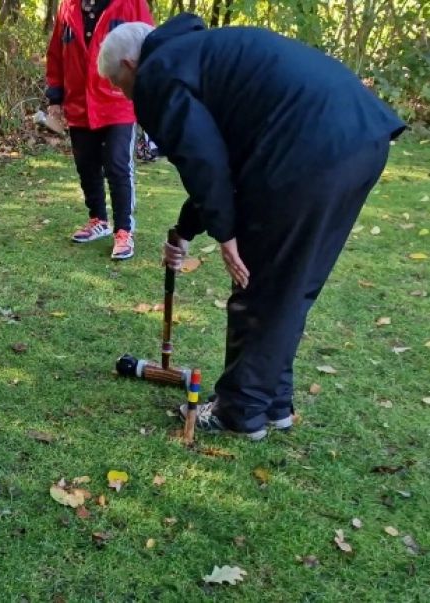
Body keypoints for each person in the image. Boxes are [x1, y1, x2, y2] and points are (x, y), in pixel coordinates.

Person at [98, 14, 406, 440]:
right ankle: (272, 404)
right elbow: (224, 163)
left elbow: (204, 162)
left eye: (119, 85)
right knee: (288, 282)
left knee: (258, 286)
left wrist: (226, 236)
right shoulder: (200, 52)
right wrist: (186, 229)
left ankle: (238, 412)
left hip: (308, 148)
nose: (125, 95)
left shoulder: (158, 73)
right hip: (360, 137)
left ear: (130, 66)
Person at [45, 0, 154, 260]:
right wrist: (55, 100)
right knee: (86, 164)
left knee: (117, 164)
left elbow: (151, 47)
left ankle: (124, 230)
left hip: (118, 102)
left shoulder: (131, 4)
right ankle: (98, 220)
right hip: (79, 103)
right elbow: (57, 55)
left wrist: (148, 92)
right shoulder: (67, 7)